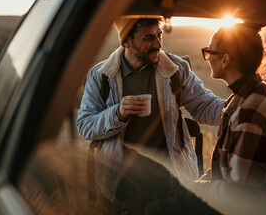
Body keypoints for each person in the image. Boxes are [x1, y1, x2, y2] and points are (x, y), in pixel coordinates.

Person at [76, 15, 224, 213]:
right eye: (148, 38)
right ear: (126, 41)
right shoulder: (101, 76)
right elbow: (85, 125)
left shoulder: (175, 69)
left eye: (159, 35)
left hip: (171, 182)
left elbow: (205, 106)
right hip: (120, 185)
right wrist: (118, 113)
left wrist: (239, 108)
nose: (158, 44)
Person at [185, 23, 266, 214]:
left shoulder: (251, 113)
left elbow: (238, 194)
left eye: (209, 52)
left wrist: (191, 190)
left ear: (226, 59)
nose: (208, 58)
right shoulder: (252, 95)